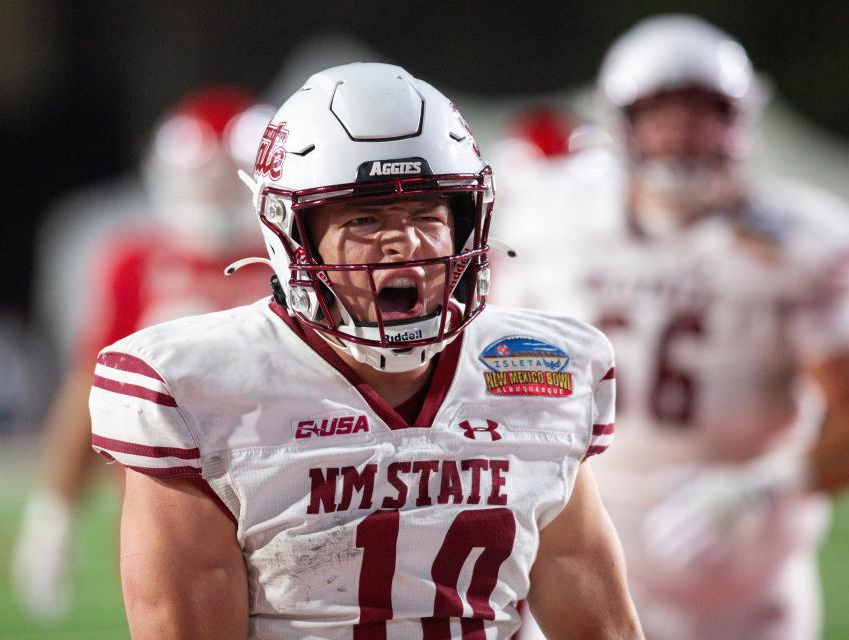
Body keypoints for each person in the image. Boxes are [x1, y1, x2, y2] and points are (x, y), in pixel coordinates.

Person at [87, 62, 644, 639]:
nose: (404, 240)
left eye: (428, 213)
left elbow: (599, 627)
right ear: (290, 234)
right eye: (364, 217)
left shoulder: (541, 368)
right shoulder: (197, 387)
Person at [499, 15, 849, 640]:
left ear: (743, 120)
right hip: (582, 553)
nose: (685, 136)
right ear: (620, 121)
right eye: (664, 115)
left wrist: (765, 487)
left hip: (744, 580)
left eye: (706, 114)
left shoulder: (803, 242)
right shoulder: (555, 222)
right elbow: (491, 375)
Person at [12, 86, 274, 621]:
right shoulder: (137, 262)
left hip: (283, 500)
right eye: (205, 180)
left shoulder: (295, 259)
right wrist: (53, 510)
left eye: (230, 181)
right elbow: (90, 384)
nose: (216, 197)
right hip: (163, 509)